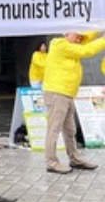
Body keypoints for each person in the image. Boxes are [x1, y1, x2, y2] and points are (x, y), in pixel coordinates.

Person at [42, 31, 105, 174]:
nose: (79, 39)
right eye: (77, 36)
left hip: (67, 94)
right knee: (54, 129)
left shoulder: (72, 44)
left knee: (70, 130)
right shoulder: (60, 45)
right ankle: (51, 162)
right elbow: (86, 50)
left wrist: (99, 29)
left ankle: (74, 158)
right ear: (66, 33)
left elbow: (86, 39)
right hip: (57, 93)